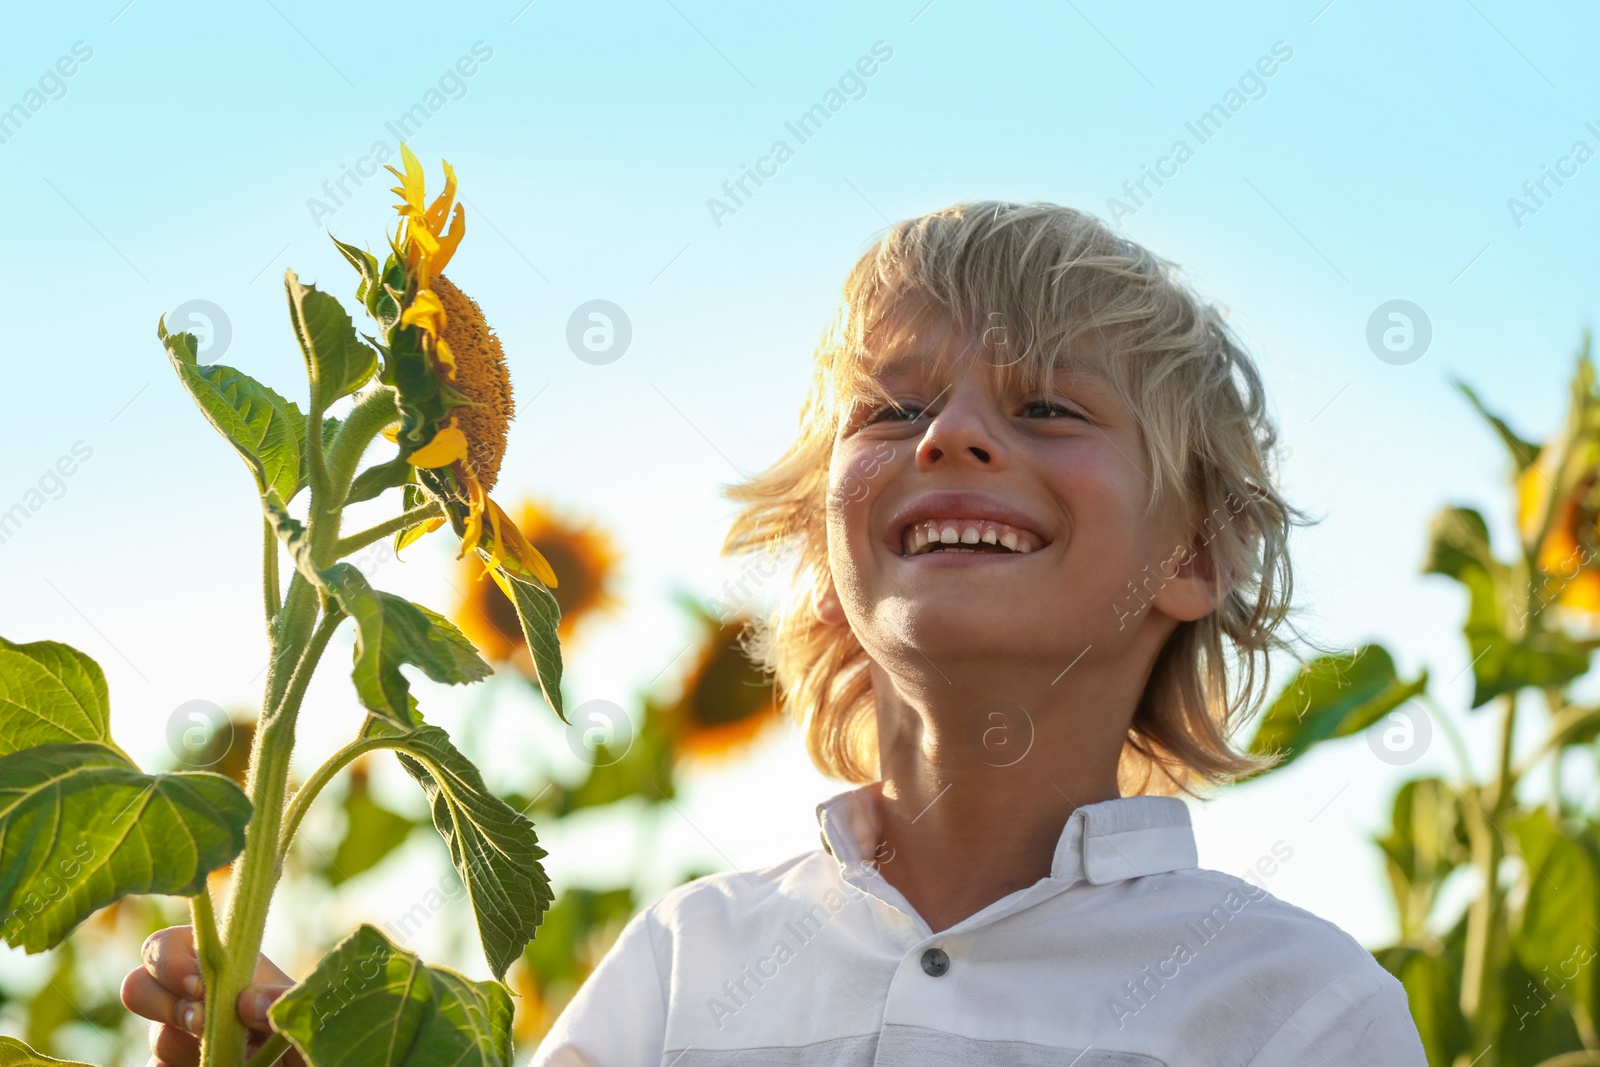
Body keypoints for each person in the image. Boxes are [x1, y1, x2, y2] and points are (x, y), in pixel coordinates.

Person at [122, 201, 1428, 1066]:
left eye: (1046, 409)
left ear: (1191, 555)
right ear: (822, 543)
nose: (951, 434)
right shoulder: (685, 970)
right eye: (890, 409)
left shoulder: (1293, 1011)